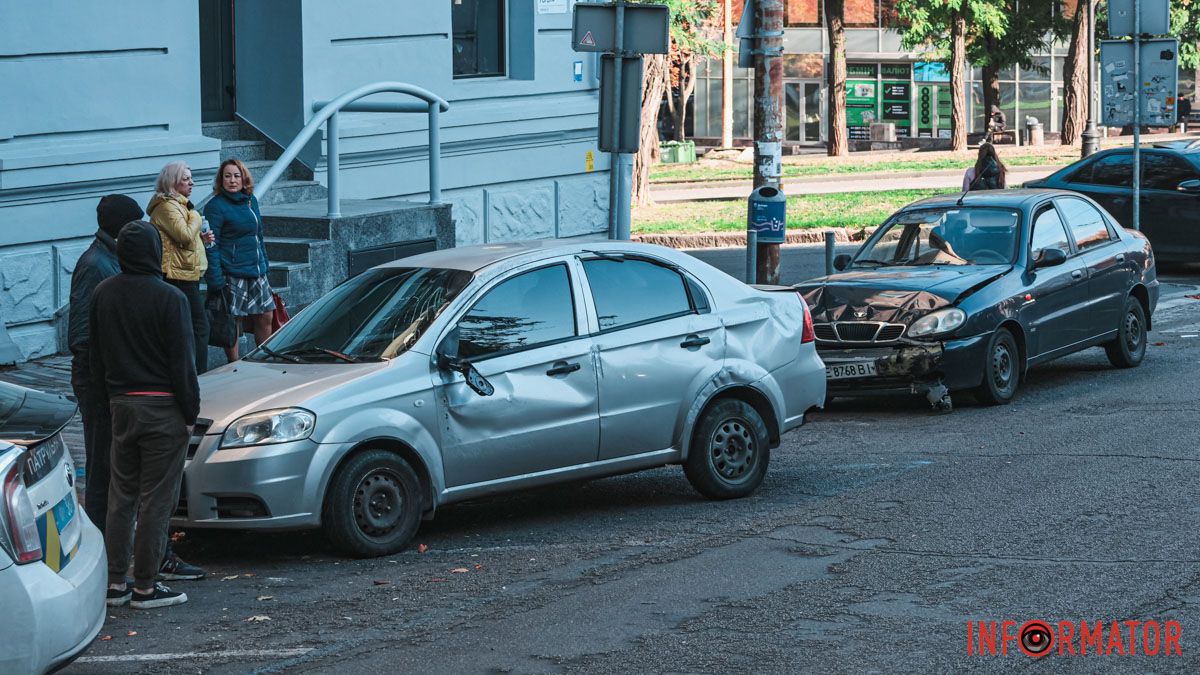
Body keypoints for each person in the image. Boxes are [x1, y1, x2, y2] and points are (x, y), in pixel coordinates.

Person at [90, 220, 200, 609]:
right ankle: (147, 586)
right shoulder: (171, 298)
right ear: (155, 251)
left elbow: (95, 355)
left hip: (122, 404)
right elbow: (182, 363)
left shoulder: (103, 293)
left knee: (121, 496)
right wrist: (191, 412)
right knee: (156, 500)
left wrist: (109, 401)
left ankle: (115, 582)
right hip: (162, 406)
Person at [68, 195, 144, 533]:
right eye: (136, 222)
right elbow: (82, 336)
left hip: (111, 379)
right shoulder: (96, 264)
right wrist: (101, 384)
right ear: (121, 226)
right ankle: (98, 540)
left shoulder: (113, 259)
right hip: (99, 383)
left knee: (115, 465)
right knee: (102, 466)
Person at [204, 159, 276, 362]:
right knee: (232, 321)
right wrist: (215, 278)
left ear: (244, 179)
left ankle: (264, 360)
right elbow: (211, 245)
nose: (232, 180)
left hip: (256, 271)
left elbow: (258, 235)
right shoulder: (215, 206)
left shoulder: (251, 201)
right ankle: (233, 364)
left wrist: (264, 263)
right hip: (232, 272)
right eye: (227, 176)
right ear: (221, 180)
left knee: (266, 316)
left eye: (236, 176)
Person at [147, 161, 213, 373]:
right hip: (177, 276)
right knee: (199, 328)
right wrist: (195, 216)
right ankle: (199, 376)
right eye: (186, 179)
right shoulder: (168, 206)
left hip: (186, 273)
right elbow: (183, 235)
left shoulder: (178, 205)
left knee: (193, 328)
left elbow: (181, 239)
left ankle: (191, 372)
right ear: (173, 182)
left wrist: (201, 238)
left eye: (190, 178)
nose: (192, 183)